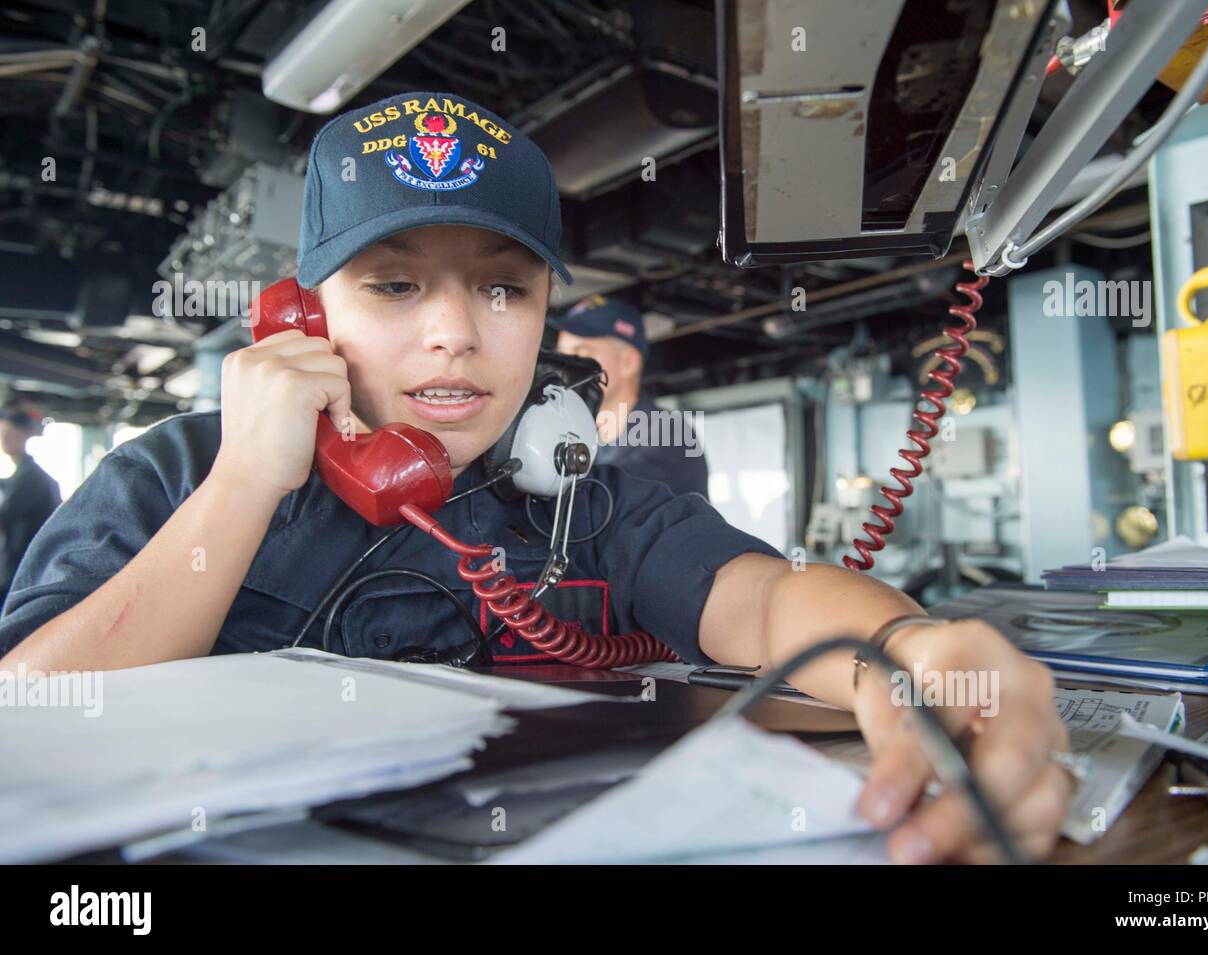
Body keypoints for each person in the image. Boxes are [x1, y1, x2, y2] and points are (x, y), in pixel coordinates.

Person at [0, 91, 1069, 863]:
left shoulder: (575, 500)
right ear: (305, 317)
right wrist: (243, 482)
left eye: (503, 290)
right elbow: (31, 712)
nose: (456, 333)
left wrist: (911, 649)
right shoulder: (175, 472)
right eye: (395, 283)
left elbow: (763, 595)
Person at [553, 296, 709, 498]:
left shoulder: (669, 434)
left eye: (580, 353)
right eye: (562, 354)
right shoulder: (580, 431)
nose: (564, 366)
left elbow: (605, 501)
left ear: (628, 363)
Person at [0, 408, 61, 604]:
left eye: (10, 434)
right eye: (2, 434)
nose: (4, 439)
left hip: (25, 569)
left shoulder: (31, 478)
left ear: (26, 435)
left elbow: (4, 517)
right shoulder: (23, 475)